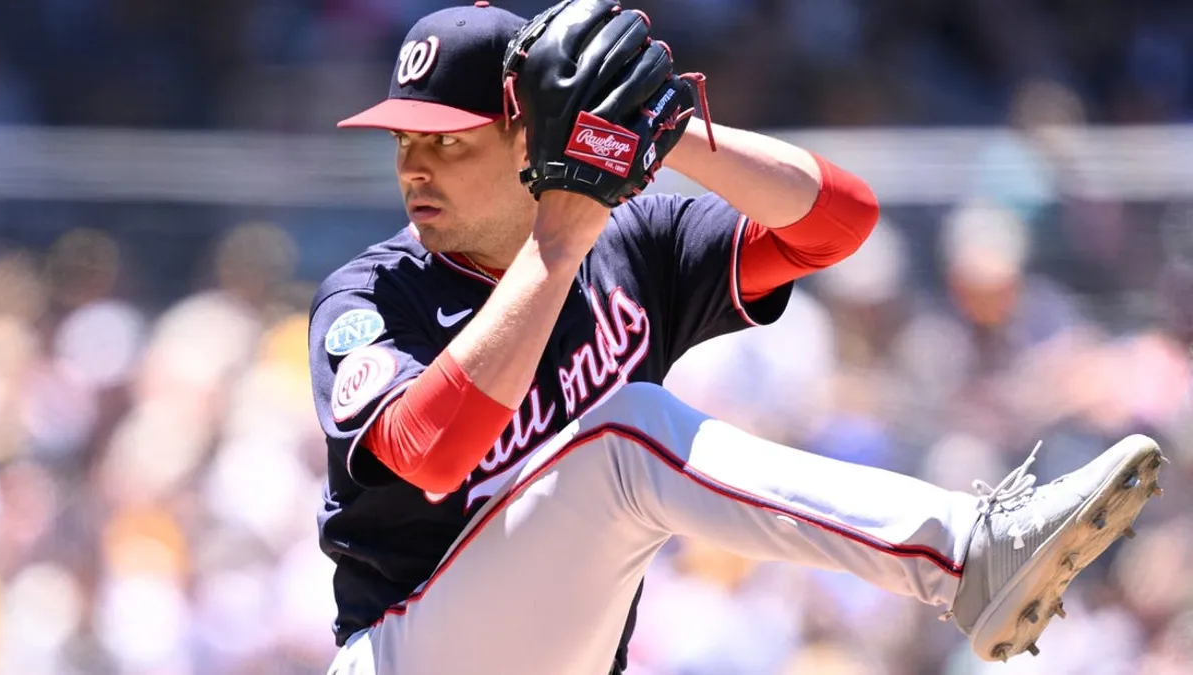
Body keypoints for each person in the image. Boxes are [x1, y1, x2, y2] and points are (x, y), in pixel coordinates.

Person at [309, 2, 1166, 674]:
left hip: (567, 655)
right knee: (626, 437)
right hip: (406, 645)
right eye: (404, 139)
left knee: (624, 439)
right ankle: (967, 552)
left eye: (448, 141)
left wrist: (663, 130)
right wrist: (559, 238)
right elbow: (428, 452)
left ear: (531, 134)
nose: (415, 165)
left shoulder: (631, 241)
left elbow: (835, 223)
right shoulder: (372, 293)